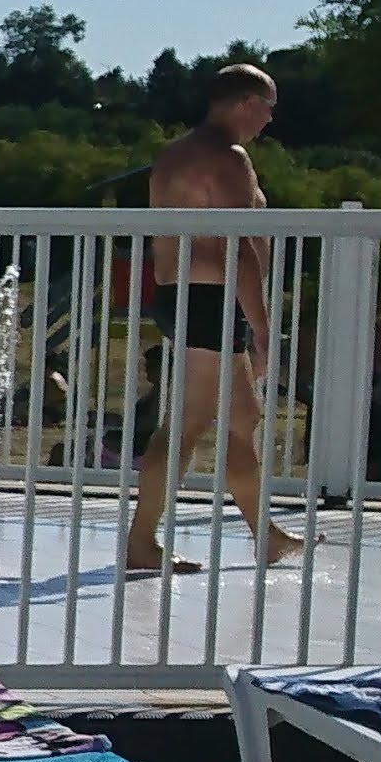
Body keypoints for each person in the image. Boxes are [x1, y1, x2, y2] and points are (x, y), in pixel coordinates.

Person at [123, 61, 304, 576]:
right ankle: (141, 541)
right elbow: (237, 248)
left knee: (242, 417)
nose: (270, 119)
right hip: (207, 299)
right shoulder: (227, 157)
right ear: (246, 103)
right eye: (268, 107)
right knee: (188, 424)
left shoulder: (178, 152)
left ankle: (266, 535)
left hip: (189, 296)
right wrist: (263, 328)